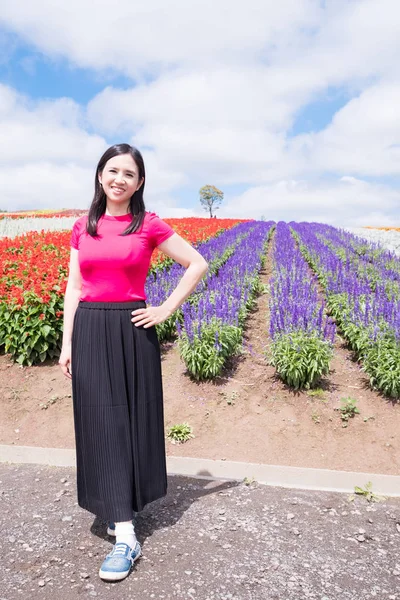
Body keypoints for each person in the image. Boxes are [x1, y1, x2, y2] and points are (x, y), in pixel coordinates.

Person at [58, 143, 208, 582]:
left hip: (131, 329)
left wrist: (164, 308)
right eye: (113, 170)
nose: (119, 178)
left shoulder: (149, 224)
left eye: (129, 173)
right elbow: (74, 287)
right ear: (100, 175)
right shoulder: (82, 227)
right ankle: (117, 511)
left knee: (125, 423)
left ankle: (125, 531)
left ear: (139, 182)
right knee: (98, 424)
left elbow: (196, 263)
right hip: (89, 329)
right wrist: (67, 343)